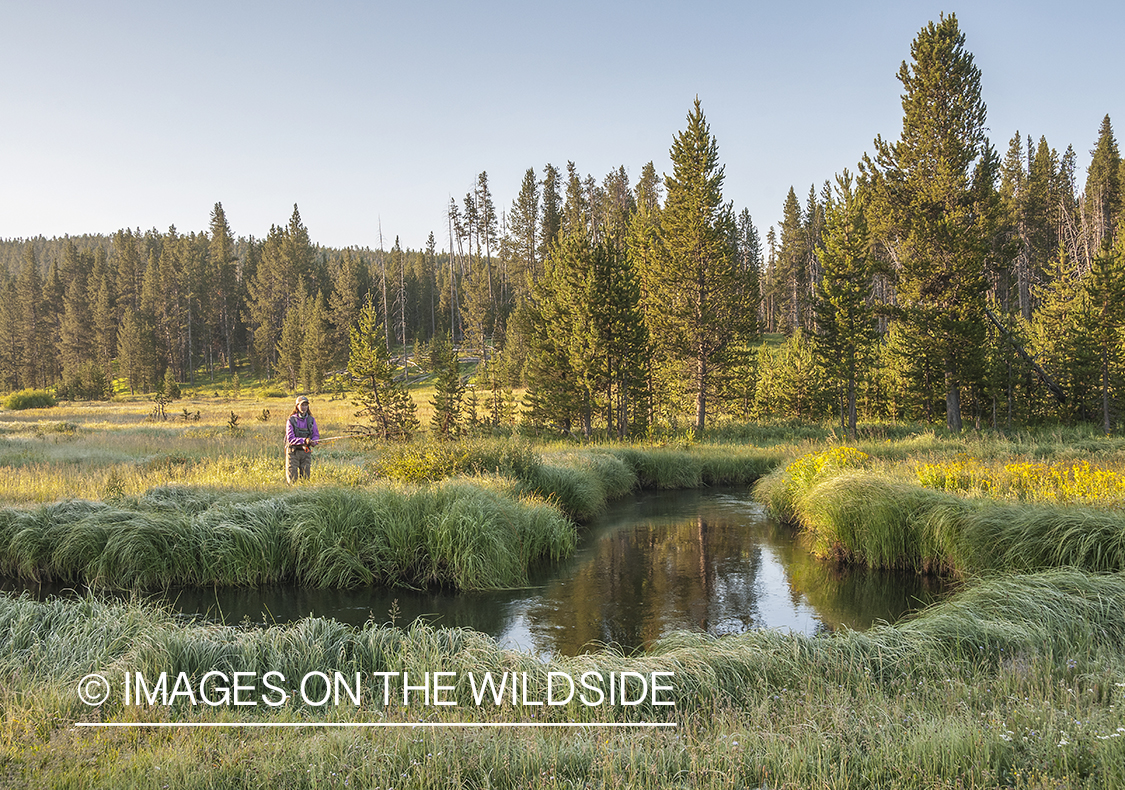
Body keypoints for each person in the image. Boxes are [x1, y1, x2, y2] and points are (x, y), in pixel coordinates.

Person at [286, 395, 320, 483]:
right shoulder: (291, 420)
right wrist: (304, 441)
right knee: (292, 480)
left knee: (305, 479)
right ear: (297, 406)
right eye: (302, 405)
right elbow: (290, 439)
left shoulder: (311, 420)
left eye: (306, 405)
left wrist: (314, 442)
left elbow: (315, 435)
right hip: (293, 452)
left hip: (306, 452)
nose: (304, 407)